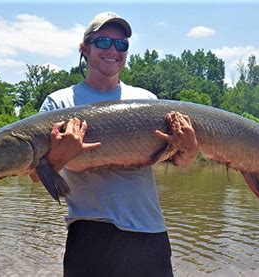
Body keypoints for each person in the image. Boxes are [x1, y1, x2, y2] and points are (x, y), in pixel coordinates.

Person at [29, 12, 199, 277]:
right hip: (90, 233)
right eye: (103, 42)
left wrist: (188, 149)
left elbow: (178, 161)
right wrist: (59, 158)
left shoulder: (147, 100)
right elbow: (34, 175)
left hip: (149, 232)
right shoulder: (58, 104)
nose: (113, 50)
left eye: (121, 44)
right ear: (84, 48)